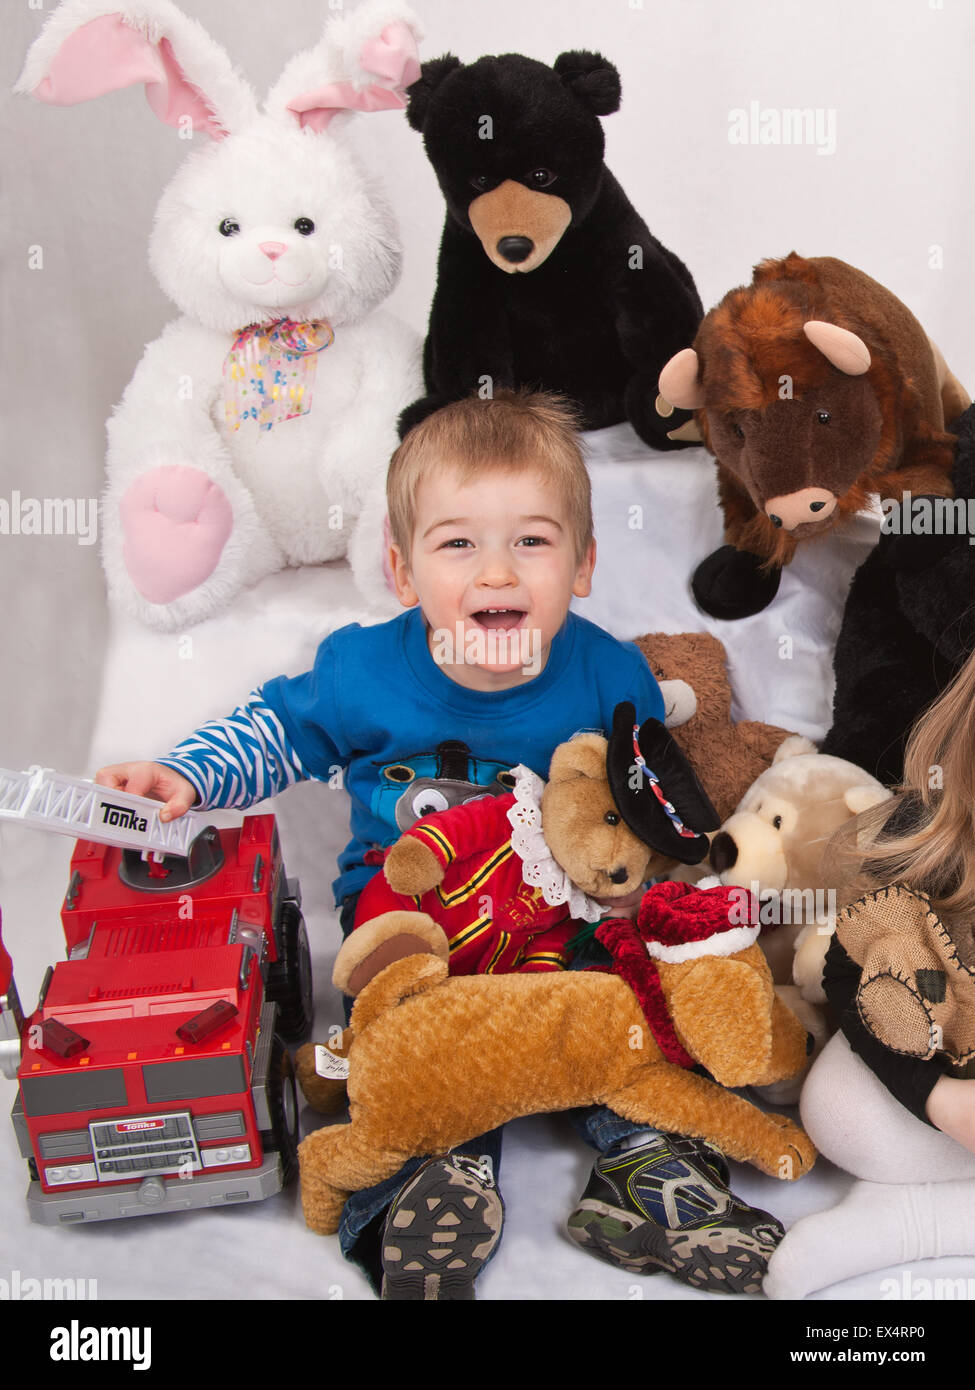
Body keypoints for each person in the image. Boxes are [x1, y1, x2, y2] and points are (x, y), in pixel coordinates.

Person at [98, 389, 782, 1299]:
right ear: (403, 569)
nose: (496, 573)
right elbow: (277, 732)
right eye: (458, 542)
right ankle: (416, 1189)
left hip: (560, 937)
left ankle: (653, 1177)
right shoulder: (362, 669)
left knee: (638, 1020)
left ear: (581, 564)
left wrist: (638, 892)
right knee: (416, 1050)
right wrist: (186, 777)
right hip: (415, 933)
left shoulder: (610, 675)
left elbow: (637, 810)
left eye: (531, 542)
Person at [765, 647, 975, 1299]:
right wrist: (936, 1098)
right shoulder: (924, 840)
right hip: (946, 1080)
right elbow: (844, 976)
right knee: (840, 1104)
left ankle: (917, 1222)